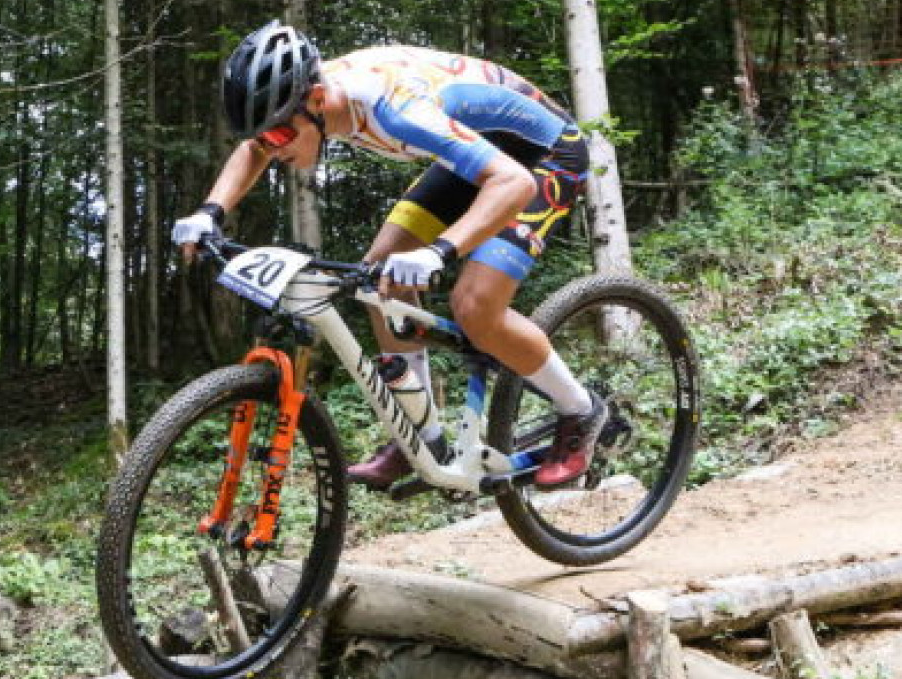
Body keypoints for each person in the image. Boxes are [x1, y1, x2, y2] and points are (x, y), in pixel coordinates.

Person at [172, 20, 603, 488]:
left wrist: (440, 251)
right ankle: (422, 437)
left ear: (317, 101)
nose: (271, 151)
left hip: (540, 157)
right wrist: (210, 212)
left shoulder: (396, 110)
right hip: (472, 149)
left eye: (279, 138)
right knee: (381, 280)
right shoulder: (306, 101)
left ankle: (581, 412)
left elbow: (513, 183)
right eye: (267, 137)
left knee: (475, 306)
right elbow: (252, 148)